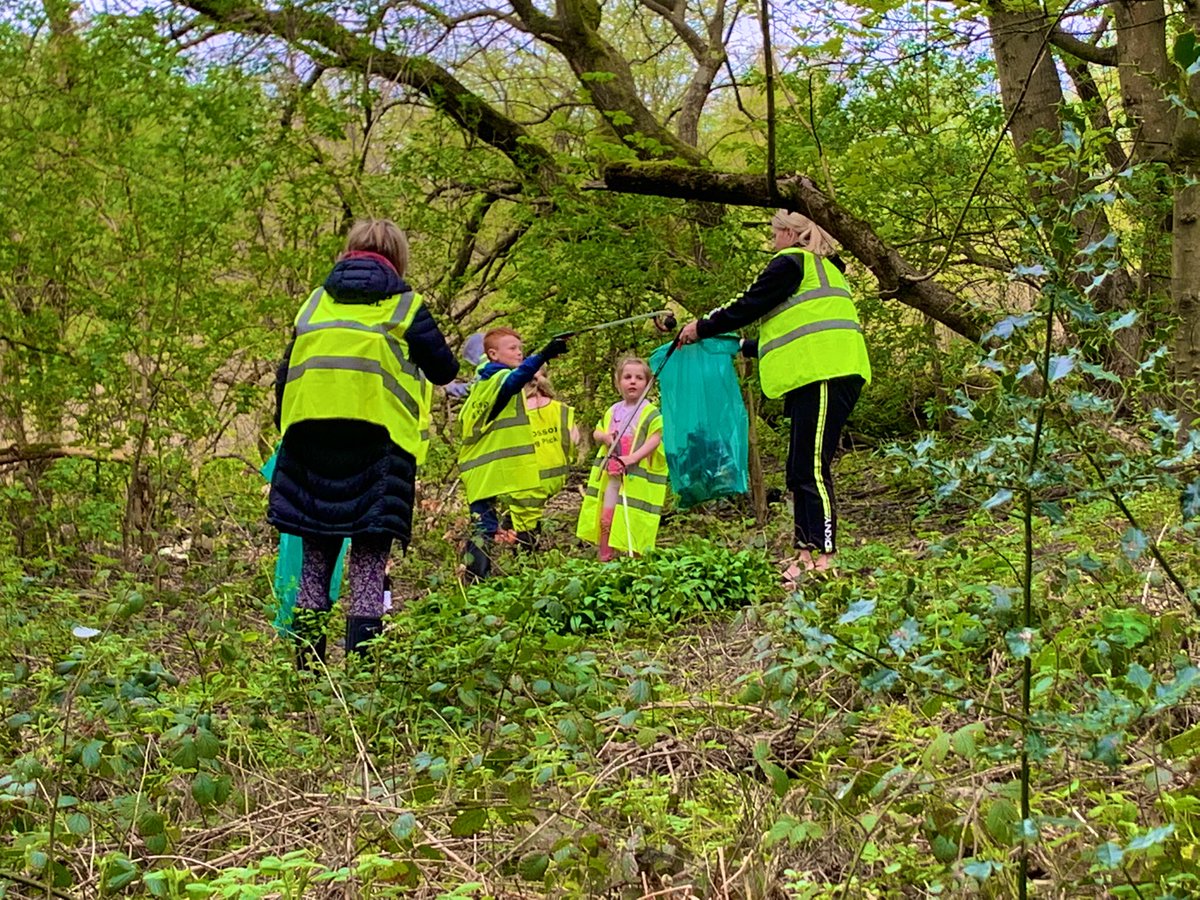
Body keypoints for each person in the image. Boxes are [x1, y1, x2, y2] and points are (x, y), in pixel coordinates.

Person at [268, 218, 459, 667]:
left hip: (308, 445)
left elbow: (284, 375)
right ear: (398, 257)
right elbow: (445, 371)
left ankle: (306, 675)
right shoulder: (406, 306)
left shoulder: (313, 304)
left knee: (316, 561)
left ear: (349, 251)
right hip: (379, 448)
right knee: (369, 563)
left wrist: (286, 433)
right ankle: (362, 677)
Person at [678, 209, 870, 584]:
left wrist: (701, 327)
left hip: (827, 372)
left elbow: (748, 304)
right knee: (799, 467)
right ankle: (804, 553)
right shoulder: (817, 270)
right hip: (812, 373)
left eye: (774, 233)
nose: (772, 240)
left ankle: (826, 556)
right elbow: (786, 332)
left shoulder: (791, 263)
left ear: (788, 233)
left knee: (812, 466)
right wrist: (737, 346)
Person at [458, 327, 570, 581]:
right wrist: (543, 355)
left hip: (483, 469)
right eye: (512, 348)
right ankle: (475, 582)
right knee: (483, 528)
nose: (518, 352)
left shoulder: (483, 383)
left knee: (484, 525)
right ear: (493, 354)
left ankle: (475, 581)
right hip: (485, 469)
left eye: (521, 348)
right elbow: (516, 379)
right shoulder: (497, 381)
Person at [576, 357, 669, 560]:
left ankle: (634, 558)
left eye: (639, 378)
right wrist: (605, 437)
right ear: (619, 383)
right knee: (606, 516)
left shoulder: (650, 412)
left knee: (633, 516)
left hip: (636, 477)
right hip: (612, 473)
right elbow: (597, 432)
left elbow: (656, 437)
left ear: (648, 383)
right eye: (627, 377)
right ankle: (606, 556)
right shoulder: (613, 410)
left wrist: (633, 458)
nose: (633, 382)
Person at [505, 368, 582, 550]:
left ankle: (526, 564)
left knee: (525, 522)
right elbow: (575, 439)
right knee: (524, 517)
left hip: (526, 478)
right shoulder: (560, 409)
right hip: (556, 477)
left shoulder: (514, 410)